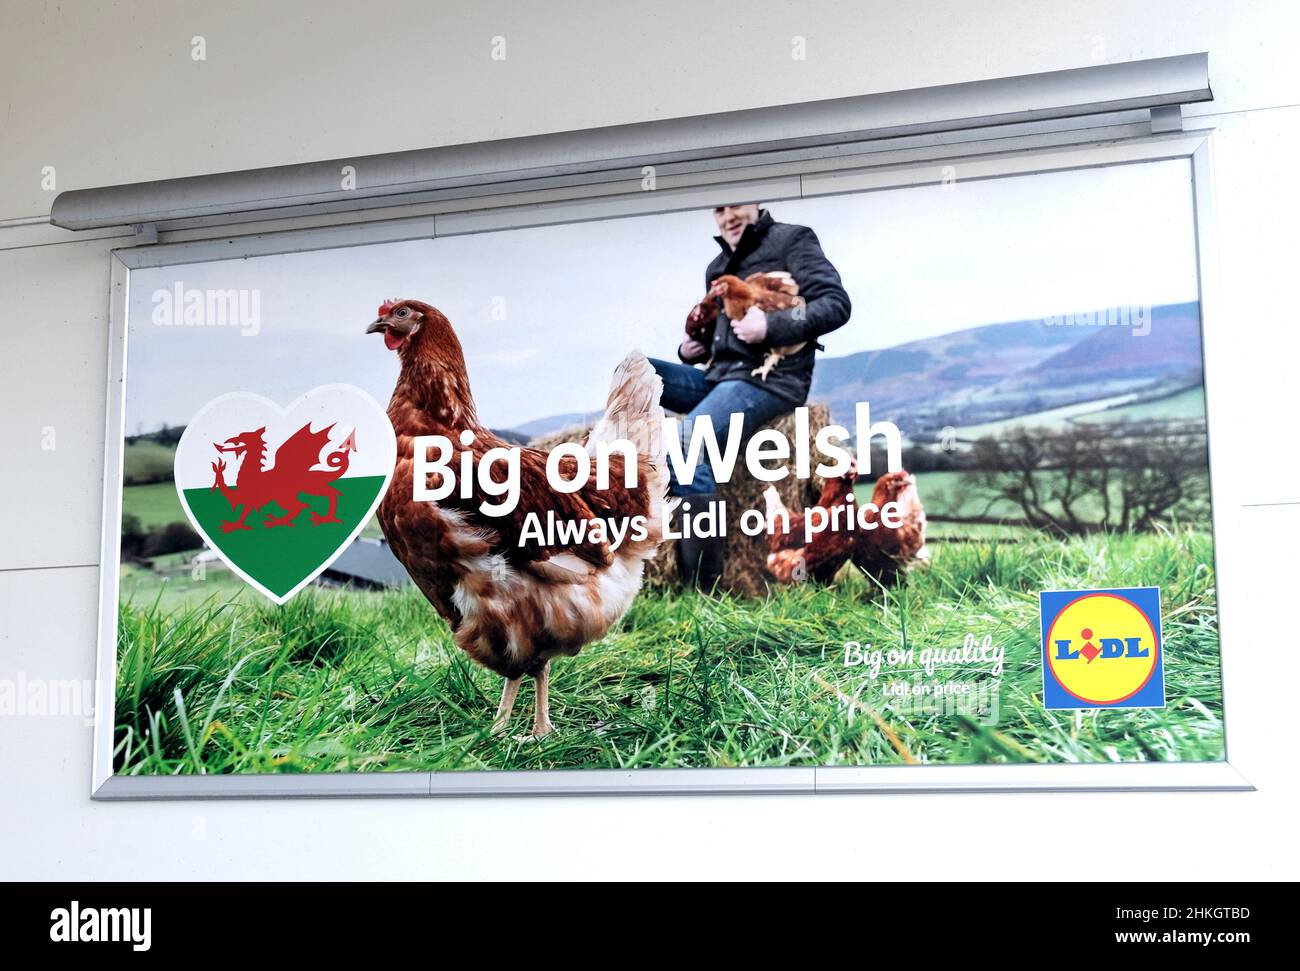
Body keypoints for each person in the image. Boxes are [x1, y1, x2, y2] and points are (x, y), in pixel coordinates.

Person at [650, 203, 851, 590]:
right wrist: (693, 348)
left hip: (770, 382)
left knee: (690, 441)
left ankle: (702, 587)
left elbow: (836, 304)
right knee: (637, 372)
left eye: (735, 204)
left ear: (756, 203)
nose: (728, 216)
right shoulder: (718, 266)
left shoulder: (793, 239)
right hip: (717, 377)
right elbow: (722, 332)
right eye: (719, 209)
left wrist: (772, 326)